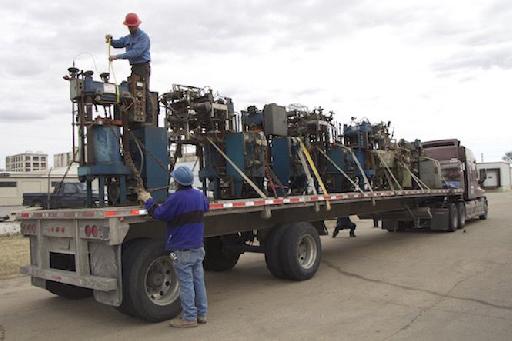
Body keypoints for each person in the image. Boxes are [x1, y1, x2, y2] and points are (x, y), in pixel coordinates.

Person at [138, 166, 209, 328]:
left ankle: (189, 318)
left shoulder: (176, 199)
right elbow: (206, 206)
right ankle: (202, 314)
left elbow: (159, 214)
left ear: (176, 182)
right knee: (199, 281)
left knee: (186, 284)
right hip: (198, 246)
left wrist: (148, 200)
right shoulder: (199, 195)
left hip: (182, 248)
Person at [106, 13, 152, 116]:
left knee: (143, 91)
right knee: (133, 89)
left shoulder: (143, 38)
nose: (130, 28)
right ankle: (133, 114)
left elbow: (136, 53)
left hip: (143, 67)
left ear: (137, 25)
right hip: (134, 68)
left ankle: (148, 116)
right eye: (129, 26)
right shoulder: (128, 38)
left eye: (132, 26)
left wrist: (117, 57)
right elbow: (119, 43)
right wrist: (111, 41)